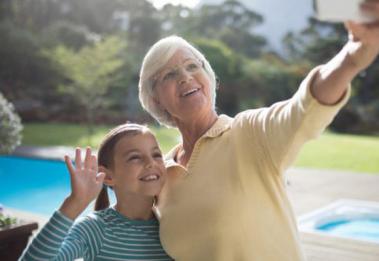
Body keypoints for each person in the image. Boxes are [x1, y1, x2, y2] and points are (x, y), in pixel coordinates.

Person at [137, 1, 379, 260]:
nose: (185, 76)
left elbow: (303, 108)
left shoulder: (249, 134)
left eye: (192, 66)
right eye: (169, 74)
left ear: (210, 78)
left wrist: (350, 60)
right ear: (156, 99)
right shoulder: (160, 175)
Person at [20, 123, 173, 261]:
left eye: (156, 155)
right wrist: (75, 202)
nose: (151, 162)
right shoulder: (95, 229)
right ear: (107, 176)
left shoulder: (173, 224)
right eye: (135, 158)